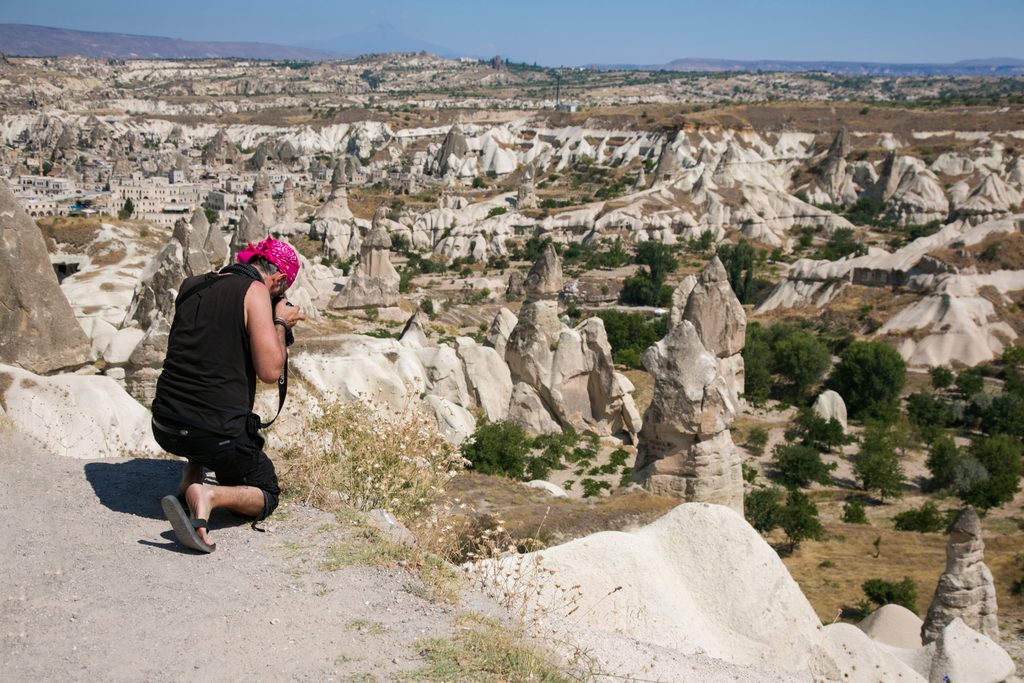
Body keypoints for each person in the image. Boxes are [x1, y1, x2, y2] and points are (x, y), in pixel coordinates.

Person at [152, 236, 304, 553]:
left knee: (204, 390)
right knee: (267, 491)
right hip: (213, 435)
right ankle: (207, 497)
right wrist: (279, 321)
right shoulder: (255, 292)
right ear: (277, 279)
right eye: (283, 289)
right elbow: (270, 371)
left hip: (165, 425)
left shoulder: (192, 285)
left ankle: (190, 475)